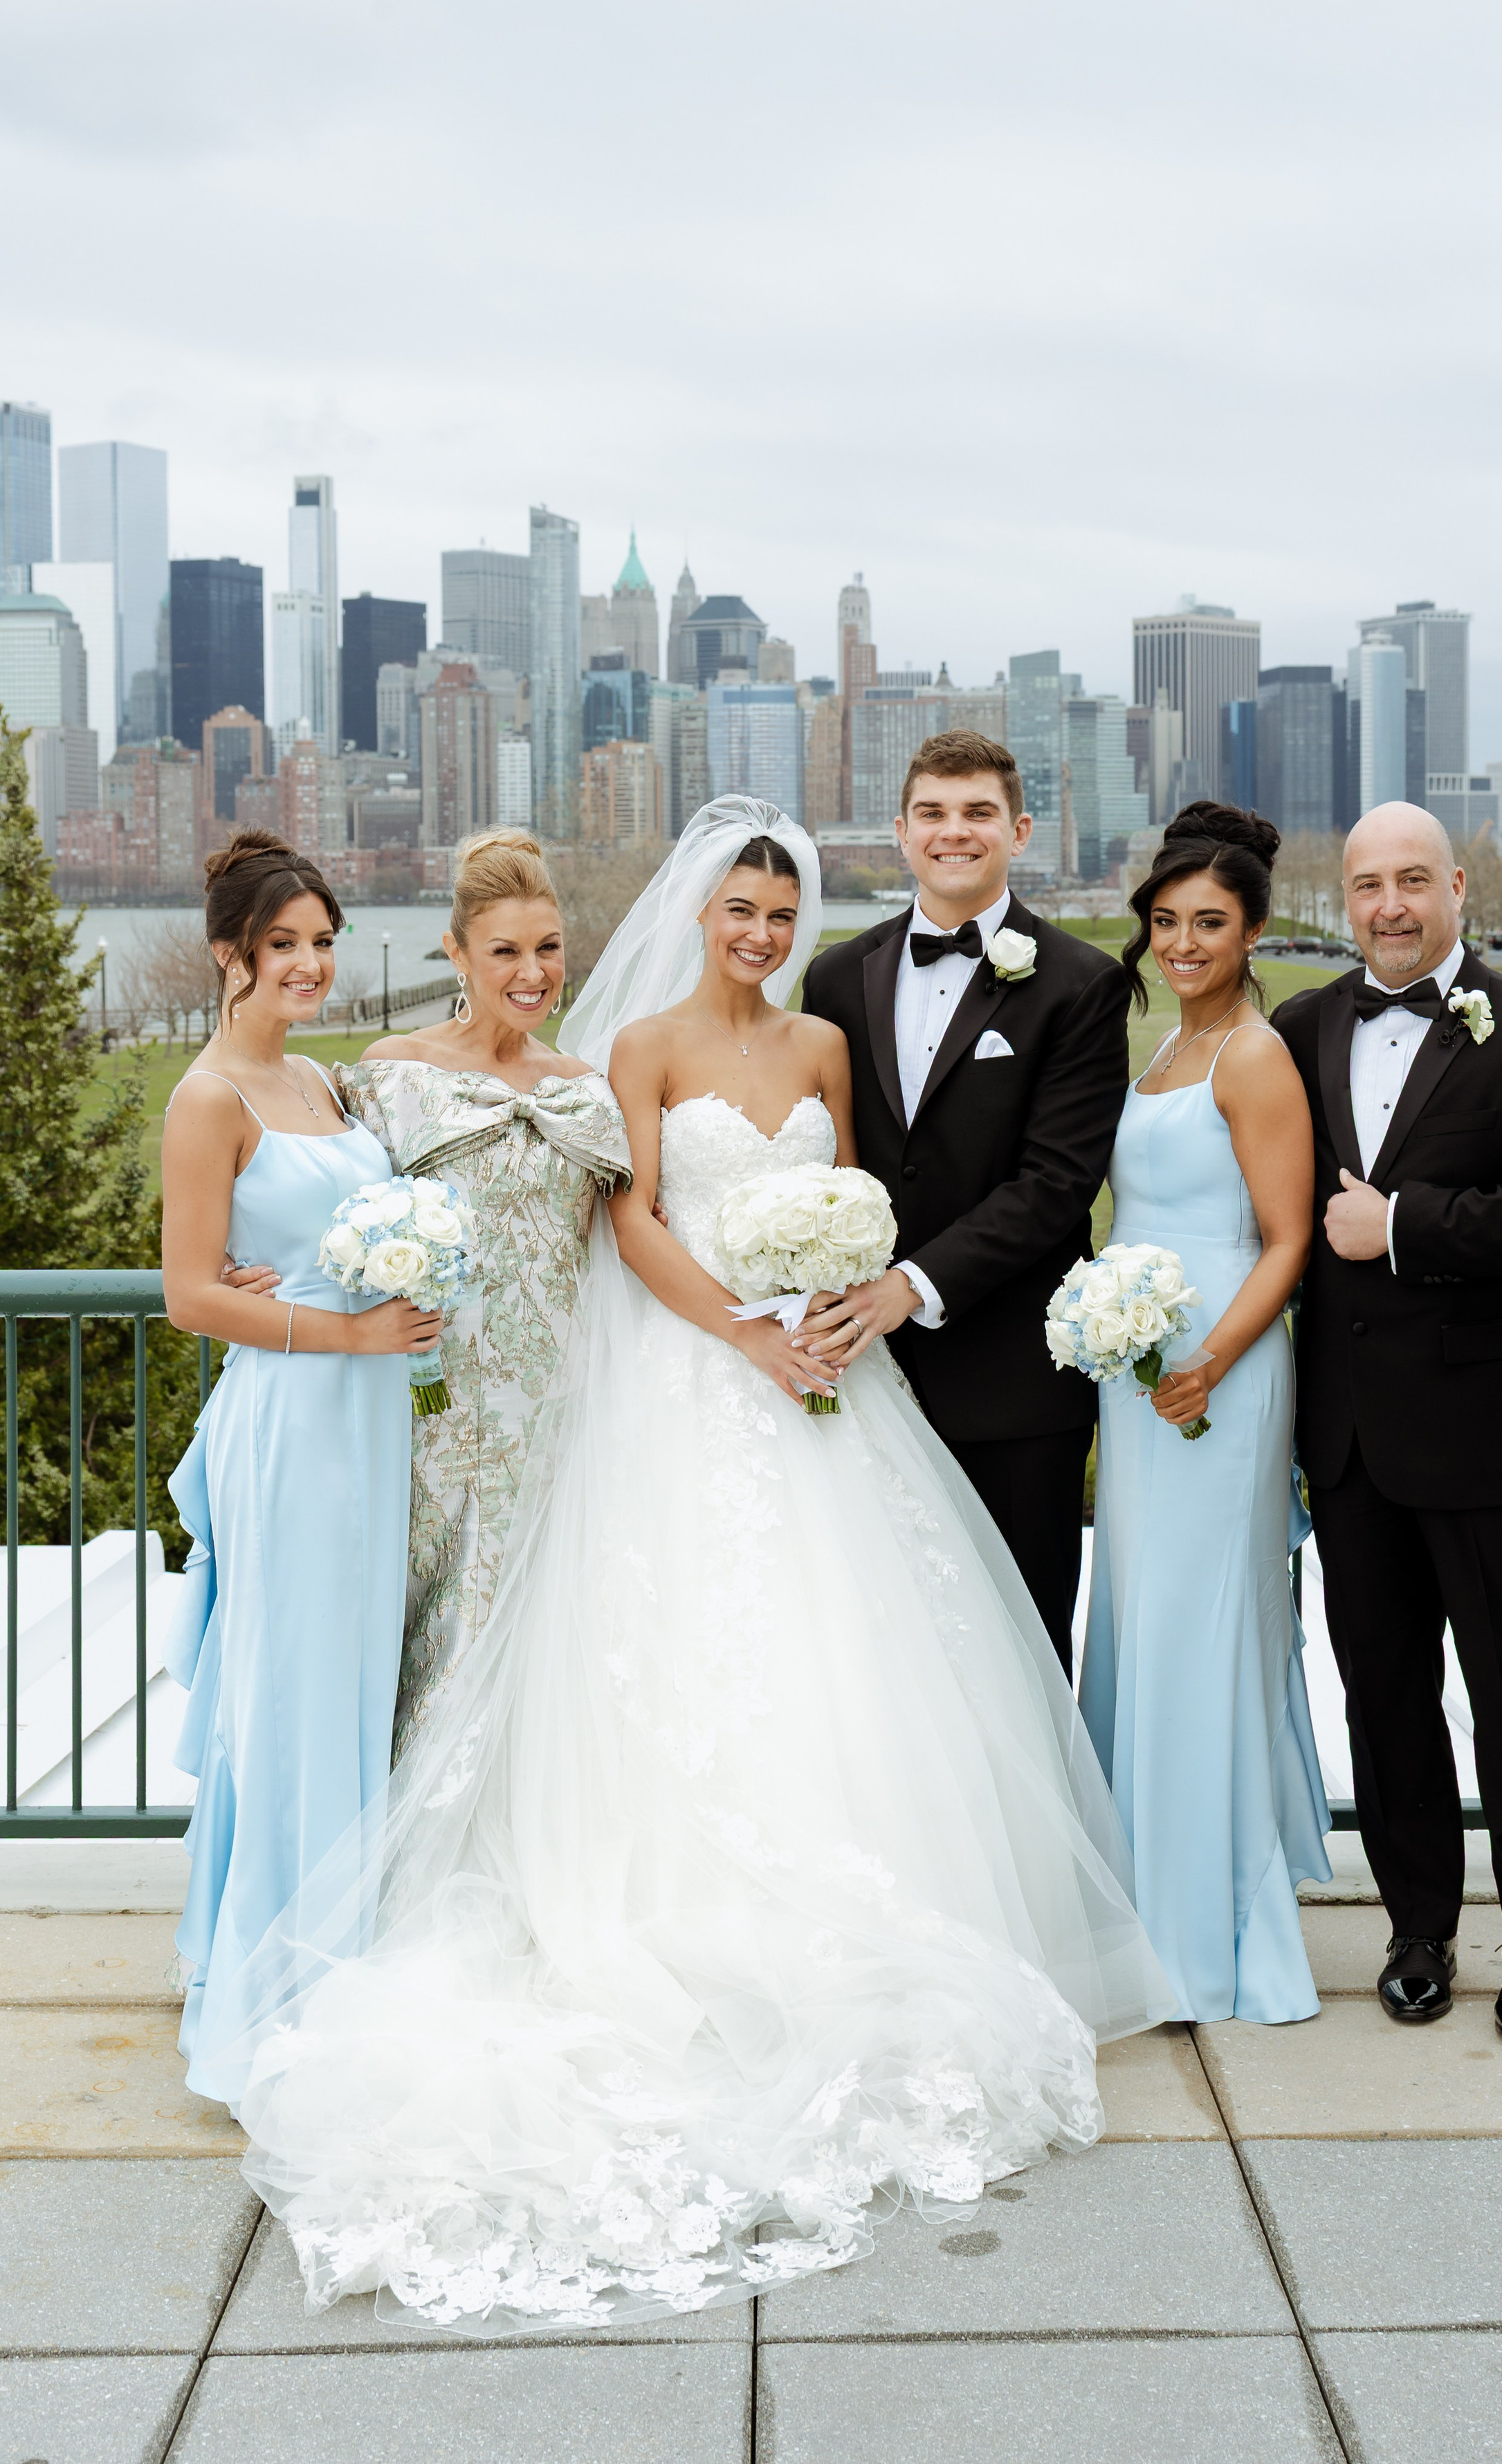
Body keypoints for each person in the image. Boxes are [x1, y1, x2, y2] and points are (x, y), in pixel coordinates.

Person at [207, 796, 1173, 2335]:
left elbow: (845, 1196)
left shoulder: (819, 1051)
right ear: (696, 912)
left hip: (824, 1371)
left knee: (860, 1648)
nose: (761, 934)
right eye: (738, 909)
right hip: (682, 1371)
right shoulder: (635, 1049)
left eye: (781, 915)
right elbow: (630, 1216)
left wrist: (825, 1302)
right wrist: (734, 1320)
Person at [1272, 801, 1502, 2040]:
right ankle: (1419, 1927)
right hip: (1351, 1435)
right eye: (1368, 885)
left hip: (1489, 1427)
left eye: (1414, 880)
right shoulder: (1298, 1030)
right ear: (1345, 897)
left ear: (1458, 885)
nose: (1391, 906)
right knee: (1384, 1691)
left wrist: (1403, 1225)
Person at [158, 832, 440, 2101]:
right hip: (295, 1414)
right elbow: (186, 1298)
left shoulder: (326, 1088)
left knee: (354, 1676)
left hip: (374, 1412)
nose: (311, 966)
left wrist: (410, 1287)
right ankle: (277, 1982)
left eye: (323, 943)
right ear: (231, 952)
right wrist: (347, 1327)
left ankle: (347, 1948)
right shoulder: (207, 1097)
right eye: (284, 946)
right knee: (292, 1686)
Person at [800, 729, 1133, 1668]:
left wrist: (911, 1284)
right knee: (878, 1659)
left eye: (979, 813)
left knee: (1022, 1654)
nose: (956, 833)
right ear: (900, 832)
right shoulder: (833, 976)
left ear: (1019, 830)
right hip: (860, 1382)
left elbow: (1057, 1182)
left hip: (1016, 1385)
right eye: (935, 815)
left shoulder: (1081, 984)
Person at [1081, 805, 1331, 2022]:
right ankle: (1139, 1907)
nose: (1184, 943)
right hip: (1138, 1380)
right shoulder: (1166, 1047)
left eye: (1210, 925)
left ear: (1254, 932)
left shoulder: (1253, 1053)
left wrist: (1215, 1360)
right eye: (1167, 921)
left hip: (1214, 1381)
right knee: (1141, 1615)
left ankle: (1208, 1932)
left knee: (1201, 1626)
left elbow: (1286, 1240)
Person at [336, 832, 629, 1753]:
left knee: (547, 1621)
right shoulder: (392, 1073)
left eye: (548, 947)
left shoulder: (587, 1090)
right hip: (433, 1401)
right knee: (432, 1622)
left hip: (557, 1406)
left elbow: (635, 1240)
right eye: (504, 950)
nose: (532, 971)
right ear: (457, 953)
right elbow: (333, 1205)